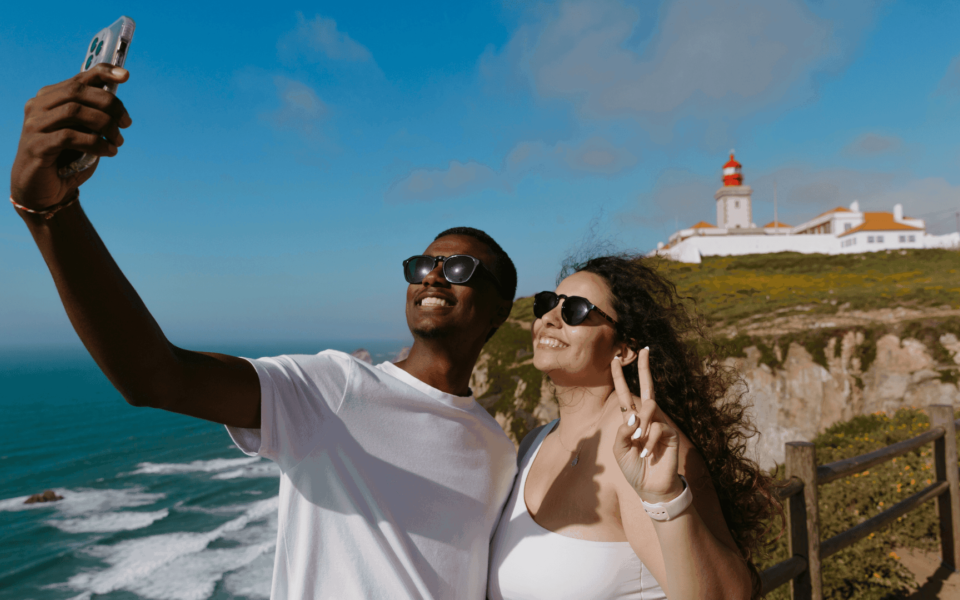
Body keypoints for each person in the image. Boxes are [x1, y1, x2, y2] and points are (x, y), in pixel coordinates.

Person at [10, 63, 520, 599]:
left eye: (460, 268)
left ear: (499, 313)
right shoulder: (336, 389)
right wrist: (50, 212)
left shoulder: (498, 449)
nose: (434, 274)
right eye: (422, 265)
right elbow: (156, 376)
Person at [488, 255, 780, 600]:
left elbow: (728, 595)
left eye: (576, 310)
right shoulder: (535, 442)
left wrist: (665, 498)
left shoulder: (641, 440)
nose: (549, 319)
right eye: (548, 303)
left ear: (624, 350)